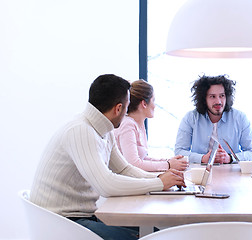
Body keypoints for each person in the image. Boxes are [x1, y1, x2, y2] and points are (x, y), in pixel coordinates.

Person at [30, 74, 185, 240]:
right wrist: (158, 183)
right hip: (60, 222)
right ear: (118, 108)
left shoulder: (105, 129)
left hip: (79, 217)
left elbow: (124, 168)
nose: (127, 112)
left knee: (155, 232)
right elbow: (106, 184)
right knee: (146, 236)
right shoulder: (80, 130)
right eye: (126, 107)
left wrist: (161, 178)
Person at [175, 74, 252, 164]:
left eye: (222, 96)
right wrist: (203, 158)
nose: (218, 101)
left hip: (231, 174)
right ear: (204, 99)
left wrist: (230, 158)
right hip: (199, 173)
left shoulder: (240, 118)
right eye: (212, 96)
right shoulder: (190, 118)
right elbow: (179, 152)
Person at [115, 80, 188, 172]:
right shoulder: (127, 125)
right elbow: (133, 164)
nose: (155, 105)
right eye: (153, 100)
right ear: (144, 104)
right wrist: (168, 165)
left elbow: (143, 159)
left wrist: (169, 161)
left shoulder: (139, 124)